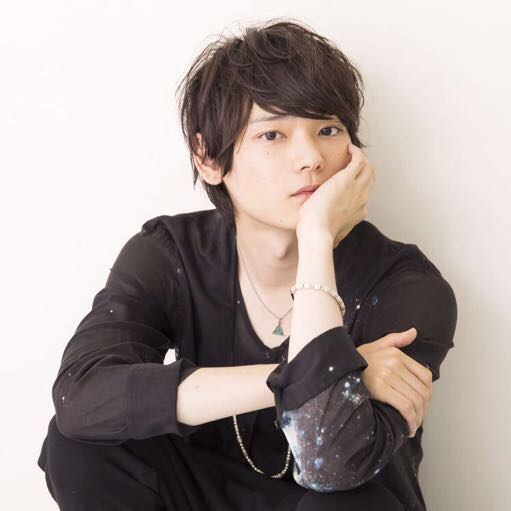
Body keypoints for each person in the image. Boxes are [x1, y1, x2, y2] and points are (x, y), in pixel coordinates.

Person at [36, 18, 457, 511]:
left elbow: (332, 464)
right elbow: (82, 397)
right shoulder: (171, 253)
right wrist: (304, 377)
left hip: (332, 501)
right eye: (273, 134)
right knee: (79, 446)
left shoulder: (406, 286)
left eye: (328, 130)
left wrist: (317, 239)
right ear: (208, 158)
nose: (310, 158)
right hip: (205, 491)